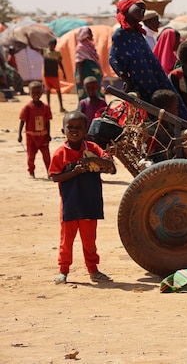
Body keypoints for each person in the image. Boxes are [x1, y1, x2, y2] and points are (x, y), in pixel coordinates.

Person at [49, 111, 116, 284]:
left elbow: (109, 164)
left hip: (89, 203)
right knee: (66, 241)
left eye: (79, 127)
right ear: (63, 129)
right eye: (70, 127)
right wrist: (75, 172)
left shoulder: (92, 148)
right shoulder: (60, 153)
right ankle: (63, 270)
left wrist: (94, 162)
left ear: (86, 129)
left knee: (89, 241)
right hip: (70, 204)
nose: (74, 131)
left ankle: (93, 270)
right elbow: (55, 176)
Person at [109, 0, 187, 120]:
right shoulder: (120, 34)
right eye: (139, 7)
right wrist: (127, 80)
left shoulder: (138, 34)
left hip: (155, 76)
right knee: (153, 111)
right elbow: (114, 58)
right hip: (140, 81)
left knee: (170, 102)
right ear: (126, 9)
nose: (142, 11)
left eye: (144, 9)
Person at [18, 81, 52, 178]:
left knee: (46, 155)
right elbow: (22, 120)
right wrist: (19, 134)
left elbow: (47, 121)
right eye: (34, 92)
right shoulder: (27, 108)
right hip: (31, 137)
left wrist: (48, 134)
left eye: (38, 92)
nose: (36, 95)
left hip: (43, 136)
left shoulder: (45, 107)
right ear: (29, 93)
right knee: (31, 156)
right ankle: (31, 171)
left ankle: (50, 172)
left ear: (42, 92)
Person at [74, 27, 102, 100]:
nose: (91, 35)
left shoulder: (90, 45)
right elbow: (78, 62)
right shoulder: (81, 47)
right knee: (86, 92)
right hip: (84, 73)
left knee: (95, 90)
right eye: (89, 33)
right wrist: (80, 77)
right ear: (85, 34)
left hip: (92, 74)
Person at [42, 38, 67, 112]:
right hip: (47, 75)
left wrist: (64, 73)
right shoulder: (45, 51)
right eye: (50, 45)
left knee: (58, 91)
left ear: (55, 45)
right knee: (48, 91)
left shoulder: (57, 53)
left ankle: (61, 107)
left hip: (54, 74)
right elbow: (34, 48)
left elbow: (60, 63)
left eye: (53, 45)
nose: (51, 46)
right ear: (48, 45)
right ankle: (48, 106)